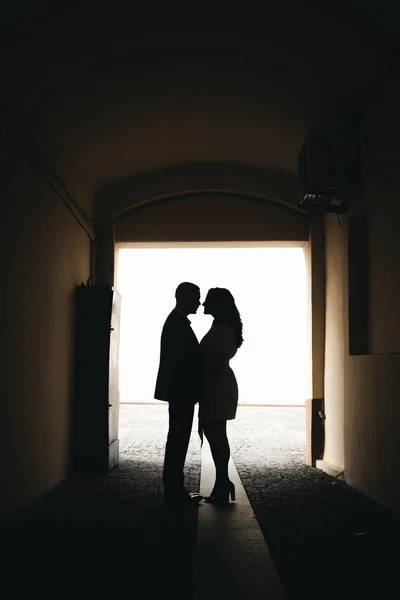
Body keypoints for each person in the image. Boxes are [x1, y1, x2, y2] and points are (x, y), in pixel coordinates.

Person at [155, 282, 203, 509]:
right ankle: (174, 491)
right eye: (196, 298)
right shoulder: (178, 324)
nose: (199, 302)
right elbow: (184, 362)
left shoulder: (175, 322)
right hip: (181, 392)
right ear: (183, 298)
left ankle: (174, 490)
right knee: (178, 440)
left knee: (177, 439)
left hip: (178, 392)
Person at [199, 287, 244, 504]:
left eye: (208, 301)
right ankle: (222, 483)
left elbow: (215, 362)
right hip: (218, 383)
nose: (203, 304)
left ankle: (222, 483)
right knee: (216, 434)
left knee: (215, 434)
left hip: (217, 385)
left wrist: (204, 387)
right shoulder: (222, 327)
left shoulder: (223, 330)